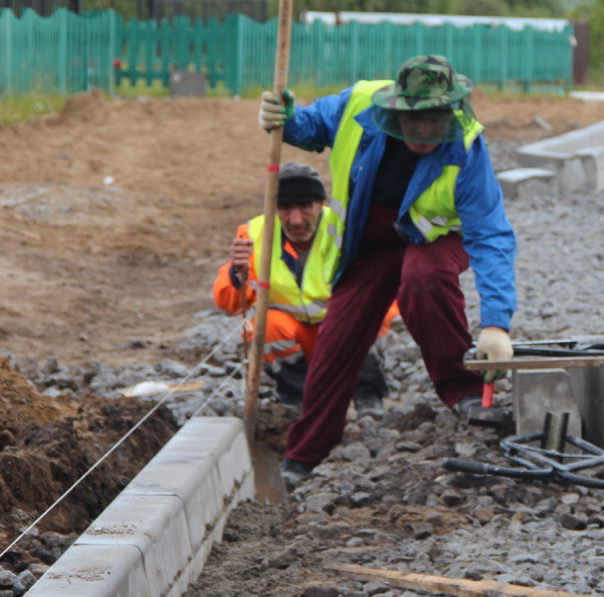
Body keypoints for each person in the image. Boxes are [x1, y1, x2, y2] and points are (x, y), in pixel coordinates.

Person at [258, 55, 516, 488]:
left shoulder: (466, 147)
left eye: (434, 123)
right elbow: (308, 129)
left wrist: (496, 324)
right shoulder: (359, 104)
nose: (423, 135)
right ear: (395, 110)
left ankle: (464, 392)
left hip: (435, 243)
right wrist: (283, 116)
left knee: (423, 279)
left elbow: (490, 236)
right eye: (413, 123)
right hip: (371, 243)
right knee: (337, 335)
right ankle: (305, 452)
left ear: (449, 113)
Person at [212, 162, 394, 408]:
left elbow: (383, 289)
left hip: (342, 333)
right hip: (294, 335)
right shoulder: (255, 234)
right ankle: (297, 402)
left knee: (365, 314)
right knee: (265, 326)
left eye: (305, 207)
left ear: (321, 204)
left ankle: (366, 396)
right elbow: (229, 304)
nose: (295, 220)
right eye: (285, 208)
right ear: (274, 208)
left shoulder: (346, 228)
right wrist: (238, 273)